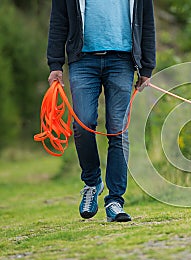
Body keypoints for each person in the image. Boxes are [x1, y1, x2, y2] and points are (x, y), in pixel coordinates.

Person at [46, 0, 156, 222]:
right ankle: (92, 182)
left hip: (122, 61)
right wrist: (55, 64)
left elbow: (147, 23)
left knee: (118, 130)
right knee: (83, 124)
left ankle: (115, 200)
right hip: (82, 61)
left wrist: (147, 67)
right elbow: (58, 22)